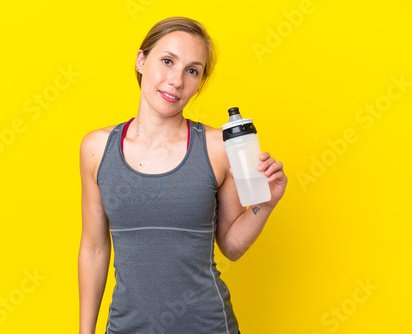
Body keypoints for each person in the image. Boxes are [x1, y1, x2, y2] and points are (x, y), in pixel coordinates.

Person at [78, 16, 287, 334]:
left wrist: (265, 204)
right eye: (167, 61)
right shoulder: (96, 148)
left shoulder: (218, 146)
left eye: (192, 70)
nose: (177, 80)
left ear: (200, 82)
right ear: (140, 60)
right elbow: (94, 248)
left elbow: (231, 246)